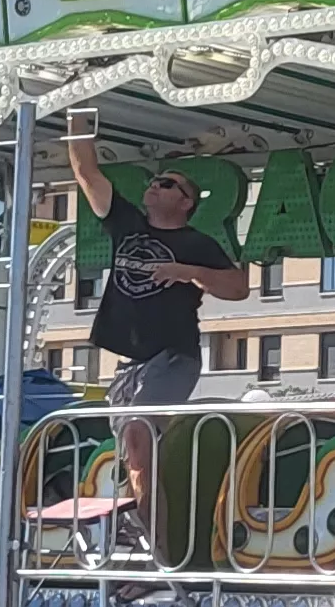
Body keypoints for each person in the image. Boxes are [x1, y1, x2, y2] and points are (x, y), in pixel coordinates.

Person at [63, 133, 246, 515]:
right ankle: (156, 522)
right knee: (133, 451)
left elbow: (238, 287)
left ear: (186, 202)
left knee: (137, 430)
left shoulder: (196, 243)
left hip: (174, 356)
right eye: (154, 180)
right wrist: (75, 117)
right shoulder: (127, 223)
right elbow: (86, 173)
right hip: (130, 362)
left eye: (167, 184)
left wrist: (190, 272)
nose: (154, 186)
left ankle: (153, 533)